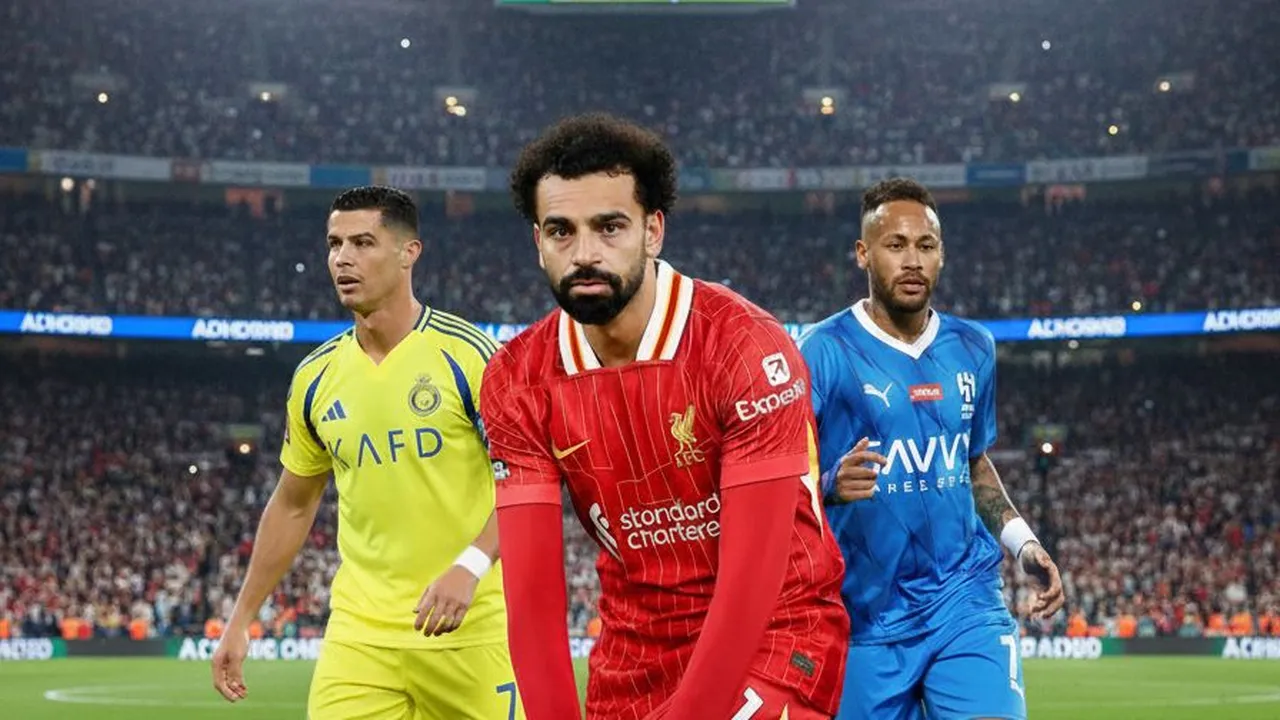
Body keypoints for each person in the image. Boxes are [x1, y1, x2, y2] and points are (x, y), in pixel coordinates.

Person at [479, 112, 850, 720]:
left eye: (609, 227)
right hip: (633, 656)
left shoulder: (743, 346)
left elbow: (752, 584)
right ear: (537, 241)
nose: (584, 254)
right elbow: (533, 602)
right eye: (561, 231)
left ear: (653, 231)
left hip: (775, 636)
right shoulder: (517, 377)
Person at [211, 186, 523, 719]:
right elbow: (293, 504)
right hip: (360, 637)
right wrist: (241, 618)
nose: (343, 258)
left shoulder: (471, 357)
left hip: (471, 629)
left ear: (408, 253)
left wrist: (469, 567)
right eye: (335, 244)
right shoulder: (315, 377)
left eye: (362, 242)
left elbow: (526, 478)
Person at [799, 177, 1065, 720]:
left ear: (941, 254)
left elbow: (972, 463)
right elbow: (783, 476)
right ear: (863, 253)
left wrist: (1024, 546)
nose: (912, 260)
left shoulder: (972, 346)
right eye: (895, 245)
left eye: (925, 245)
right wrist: (828, 485)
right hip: (865, 619)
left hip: (965, 603)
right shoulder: (821, 352)